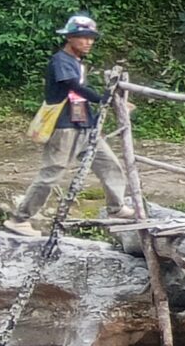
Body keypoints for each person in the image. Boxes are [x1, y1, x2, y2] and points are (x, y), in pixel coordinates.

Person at [14, 13, 131, 228]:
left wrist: (104, 105)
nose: (88, 42)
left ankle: (117, 207)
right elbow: (73, 86)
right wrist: (104, 98)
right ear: (69, 38)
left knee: (110, 165)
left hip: (85, 124)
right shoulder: (61, 61)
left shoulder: (77, 62)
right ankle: (20, 219)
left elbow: (79, 93)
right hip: (64, 125)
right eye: (83, 37)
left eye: (91, 38)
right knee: (52, 172)